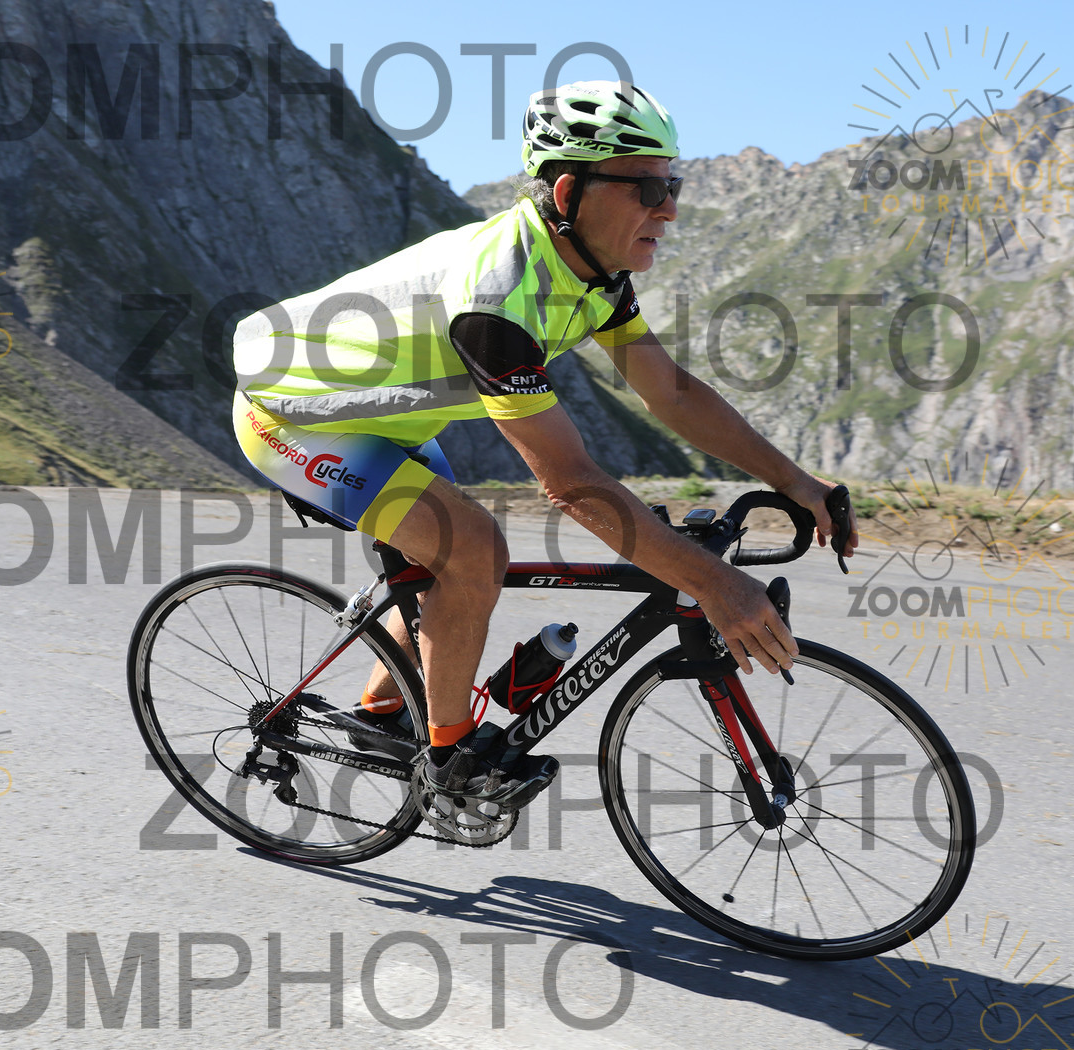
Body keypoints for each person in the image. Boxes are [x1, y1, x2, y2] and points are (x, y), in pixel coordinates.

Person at [232, 80, 858, 812]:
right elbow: (570, 482)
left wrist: (796, 481)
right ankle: (449, 761)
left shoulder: (595, 274)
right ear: (568, 192)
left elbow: (672, 393)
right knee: (472, 548)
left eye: (673, 184)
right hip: (293, 414)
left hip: (382, 419)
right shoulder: (497, 300)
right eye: (648, 188)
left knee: (444, 564)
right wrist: (715, 585)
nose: (669, 208)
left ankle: (383, 712)